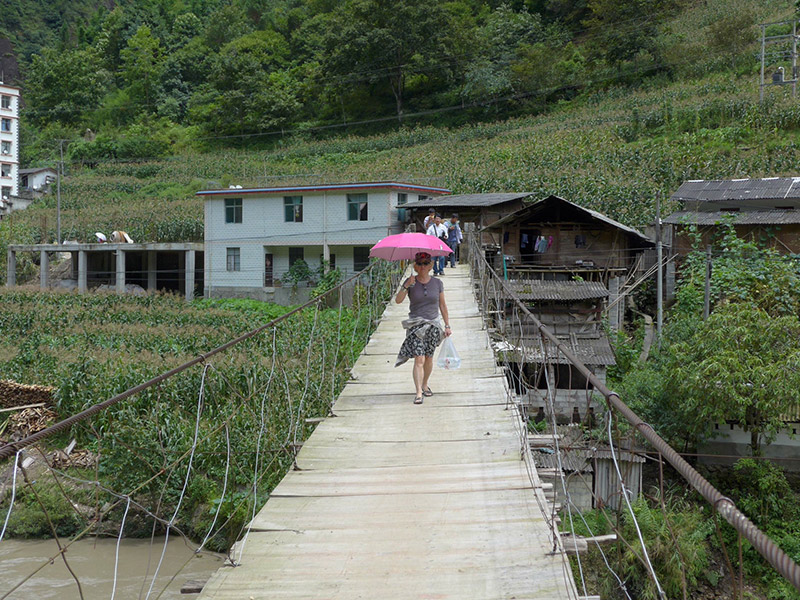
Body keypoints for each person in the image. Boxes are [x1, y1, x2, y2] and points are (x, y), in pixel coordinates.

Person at [394, 252, 452, 404]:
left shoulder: (437, 283)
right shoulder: (410, 282)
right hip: (416, 325)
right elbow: (398, 300)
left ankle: (425, 383)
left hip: (433, 324)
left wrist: (447, 325)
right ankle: (418, 391)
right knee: (419, 358)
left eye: (426, 263)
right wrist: (406, 285)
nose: (423, 266)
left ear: (431, 265)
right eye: (419, 263)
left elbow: (442, 305)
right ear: (415, 266)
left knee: (428, 358)